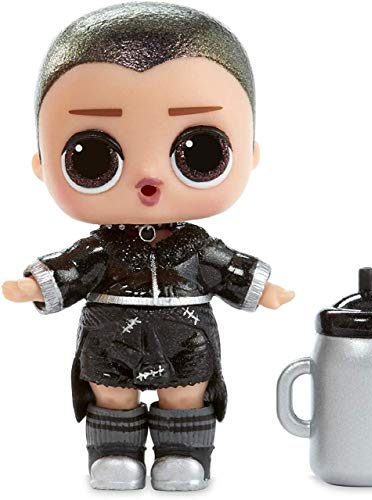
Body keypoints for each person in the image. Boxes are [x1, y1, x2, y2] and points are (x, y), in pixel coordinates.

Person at [2, 2, 294, 492]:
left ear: (250, 154)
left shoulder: (196, 246)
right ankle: (113, 453)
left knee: (187, 394)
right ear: (42, 164)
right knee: (111, 394)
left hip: (186, 334)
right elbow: (74, 268)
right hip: (109, 335)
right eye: (91, 157)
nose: (149, 177)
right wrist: (36, 285)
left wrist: (262, 288)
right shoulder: (101, 249)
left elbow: (225, 266)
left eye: (200, 151)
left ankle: (184, 454)